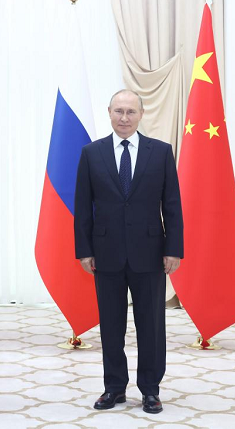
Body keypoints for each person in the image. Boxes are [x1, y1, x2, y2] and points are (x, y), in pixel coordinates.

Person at [74, 89, 183, 414]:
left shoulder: (160, 152)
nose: (124, 118)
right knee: (111, 326)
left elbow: (172, 205)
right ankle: (114, 388)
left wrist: (173, 249)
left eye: (131, 112)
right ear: (109, 112)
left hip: (150, 253)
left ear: (141, 114)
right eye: (119, 111)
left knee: (151, 326)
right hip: (105, 254)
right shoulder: (91, 153)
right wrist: (84, 250)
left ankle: (150, 390)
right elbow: (83, 207)